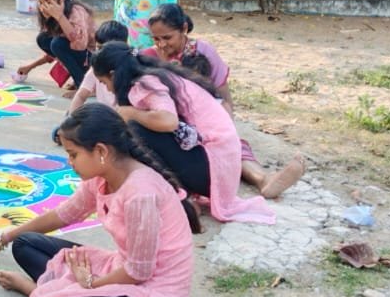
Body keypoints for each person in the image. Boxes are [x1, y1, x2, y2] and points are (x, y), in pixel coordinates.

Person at [0, 104, 196, 297]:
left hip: (151, 294)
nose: (70, 162)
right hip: (119, 269)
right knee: (25, 243)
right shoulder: (102, 177)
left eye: (73, 154)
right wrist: (3, 238)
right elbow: (64, 214)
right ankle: (54, 294)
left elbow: (139, 273)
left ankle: (37, 293)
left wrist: (90, 283)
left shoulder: (140, 194)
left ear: (101, 151)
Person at [91, 43, 275, 225]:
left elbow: (168, 121)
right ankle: (180, 193)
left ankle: (180, 197)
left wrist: (131, 113)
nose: (107, 89)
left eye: (104, 83)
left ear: (113, 75)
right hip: (219, 166)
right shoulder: (154, 75)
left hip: (213, 169)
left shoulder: (146, 84)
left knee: (136, 129)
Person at [144, 4, 305, 199]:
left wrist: (226, 126)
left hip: (206, 120)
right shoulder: (148, 57)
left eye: (167, 37)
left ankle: (263, 179)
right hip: (172, 124)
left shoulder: (203, 51)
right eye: (156, 39)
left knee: (232, 146)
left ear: (184, 29)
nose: (161, 44)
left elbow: (223, 95)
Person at [15, 0, 95, 96]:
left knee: (57, 43)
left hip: (93, 60)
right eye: (41, 3)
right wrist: (30, 67)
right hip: (81, 58)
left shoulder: (76, 11)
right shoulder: (52, 17)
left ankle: (85, 87)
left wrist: (60, 16)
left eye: (48, 2)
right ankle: (81, 79)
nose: (44, 7)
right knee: (43, 39)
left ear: (61, 0)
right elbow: (55, 52)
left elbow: (80, 45)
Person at [67, 21, 129, 114]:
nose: (101, 53)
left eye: (105, 49)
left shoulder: (128, 70)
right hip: (104, 116)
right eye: (98, 48)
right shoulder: (96, 67)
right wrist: (72, 118)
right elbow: (81, 96)